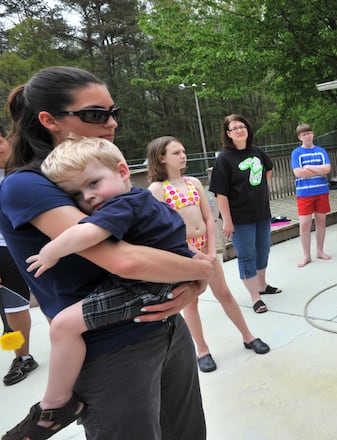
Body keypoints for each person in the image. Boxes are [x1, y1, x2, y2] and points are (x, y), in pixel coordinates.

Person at [0, 66, 213, 439]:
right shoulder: (27, 185)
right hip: (112, 351)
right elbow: (125, 260)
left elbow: (153, 242)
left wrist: (193, 282)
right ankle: (54, 408)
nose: (111, 122)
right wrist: (203, 270)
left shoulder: (93, 173)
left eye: (114, 112)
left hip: (164, 328)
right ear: (49, 120)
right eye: (96, 115)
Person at [147, 136, 270, 373]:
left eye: (183, 151)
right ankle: (202, 349)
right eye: (176, 153)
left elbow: (208, 218)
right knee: (191, 302)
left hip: (207, 250)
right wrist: (195, 254)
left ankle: (248, 336)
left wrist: (212, 250)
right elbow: (165, 230)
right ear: (161, 158)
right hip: (183, 256)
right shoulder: (157, 190)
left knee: (224, 292)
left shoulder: (193, 182)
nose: (183, 155)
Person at [209, 114, 281, 314]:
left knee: (263, 249)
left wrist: (263, 188)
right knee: (247, 255)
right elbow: (220, 193)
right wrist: (227, 221)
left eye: (242, 126)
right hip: (239, 218)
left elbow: (268, 168)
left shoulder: (256, 151)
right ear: (228, 134)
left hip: (261, 213)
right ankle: (255, 297)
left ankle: (262, 285)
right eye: (234, 128)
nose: (240, 130)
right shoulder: (224, 159)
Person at [0, 125, 38, 387]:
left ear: (8, 139)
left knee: (53, 294)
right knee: (13, 302)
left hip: (36, 241)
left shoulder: (30, 165)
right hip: (3, 245)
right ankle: (23, 357)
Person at [290, 123, 332, 267]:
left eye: (308, 133)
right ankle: (306, 255)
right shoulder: (296, 153)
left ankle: (320, 251)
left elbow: (327, 169)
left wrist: (309, 168)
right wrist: (317, 170)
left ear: (312, 134)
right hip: (304, 193)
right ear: (299, 137)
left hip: (321, 191)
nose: (306, 136)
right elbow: (298, 172)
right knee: (304, 224)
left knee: (321, 222)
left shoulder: (321, 151)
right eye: (303, 134)